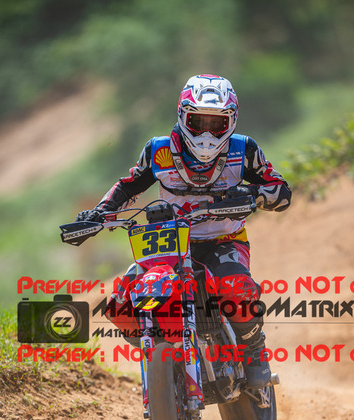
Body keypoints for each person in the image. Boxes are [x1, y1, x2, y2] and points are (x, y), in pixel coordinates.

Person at [76, 74, 292, 388]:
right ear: (182, 115)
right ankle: (160, 347)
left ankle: (254, 351)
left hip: (223, 239)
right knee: (121, 302)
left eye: (215, 123)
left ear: (231, 121)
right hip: (169, 243)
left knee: (236, 287)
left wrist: (252, 194)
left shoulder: (244, 149)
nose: (206, 132)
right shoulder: (158, 150)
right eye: (198, 121)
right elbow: (127, 186)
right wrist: (98, 213)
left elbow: (281, 191)